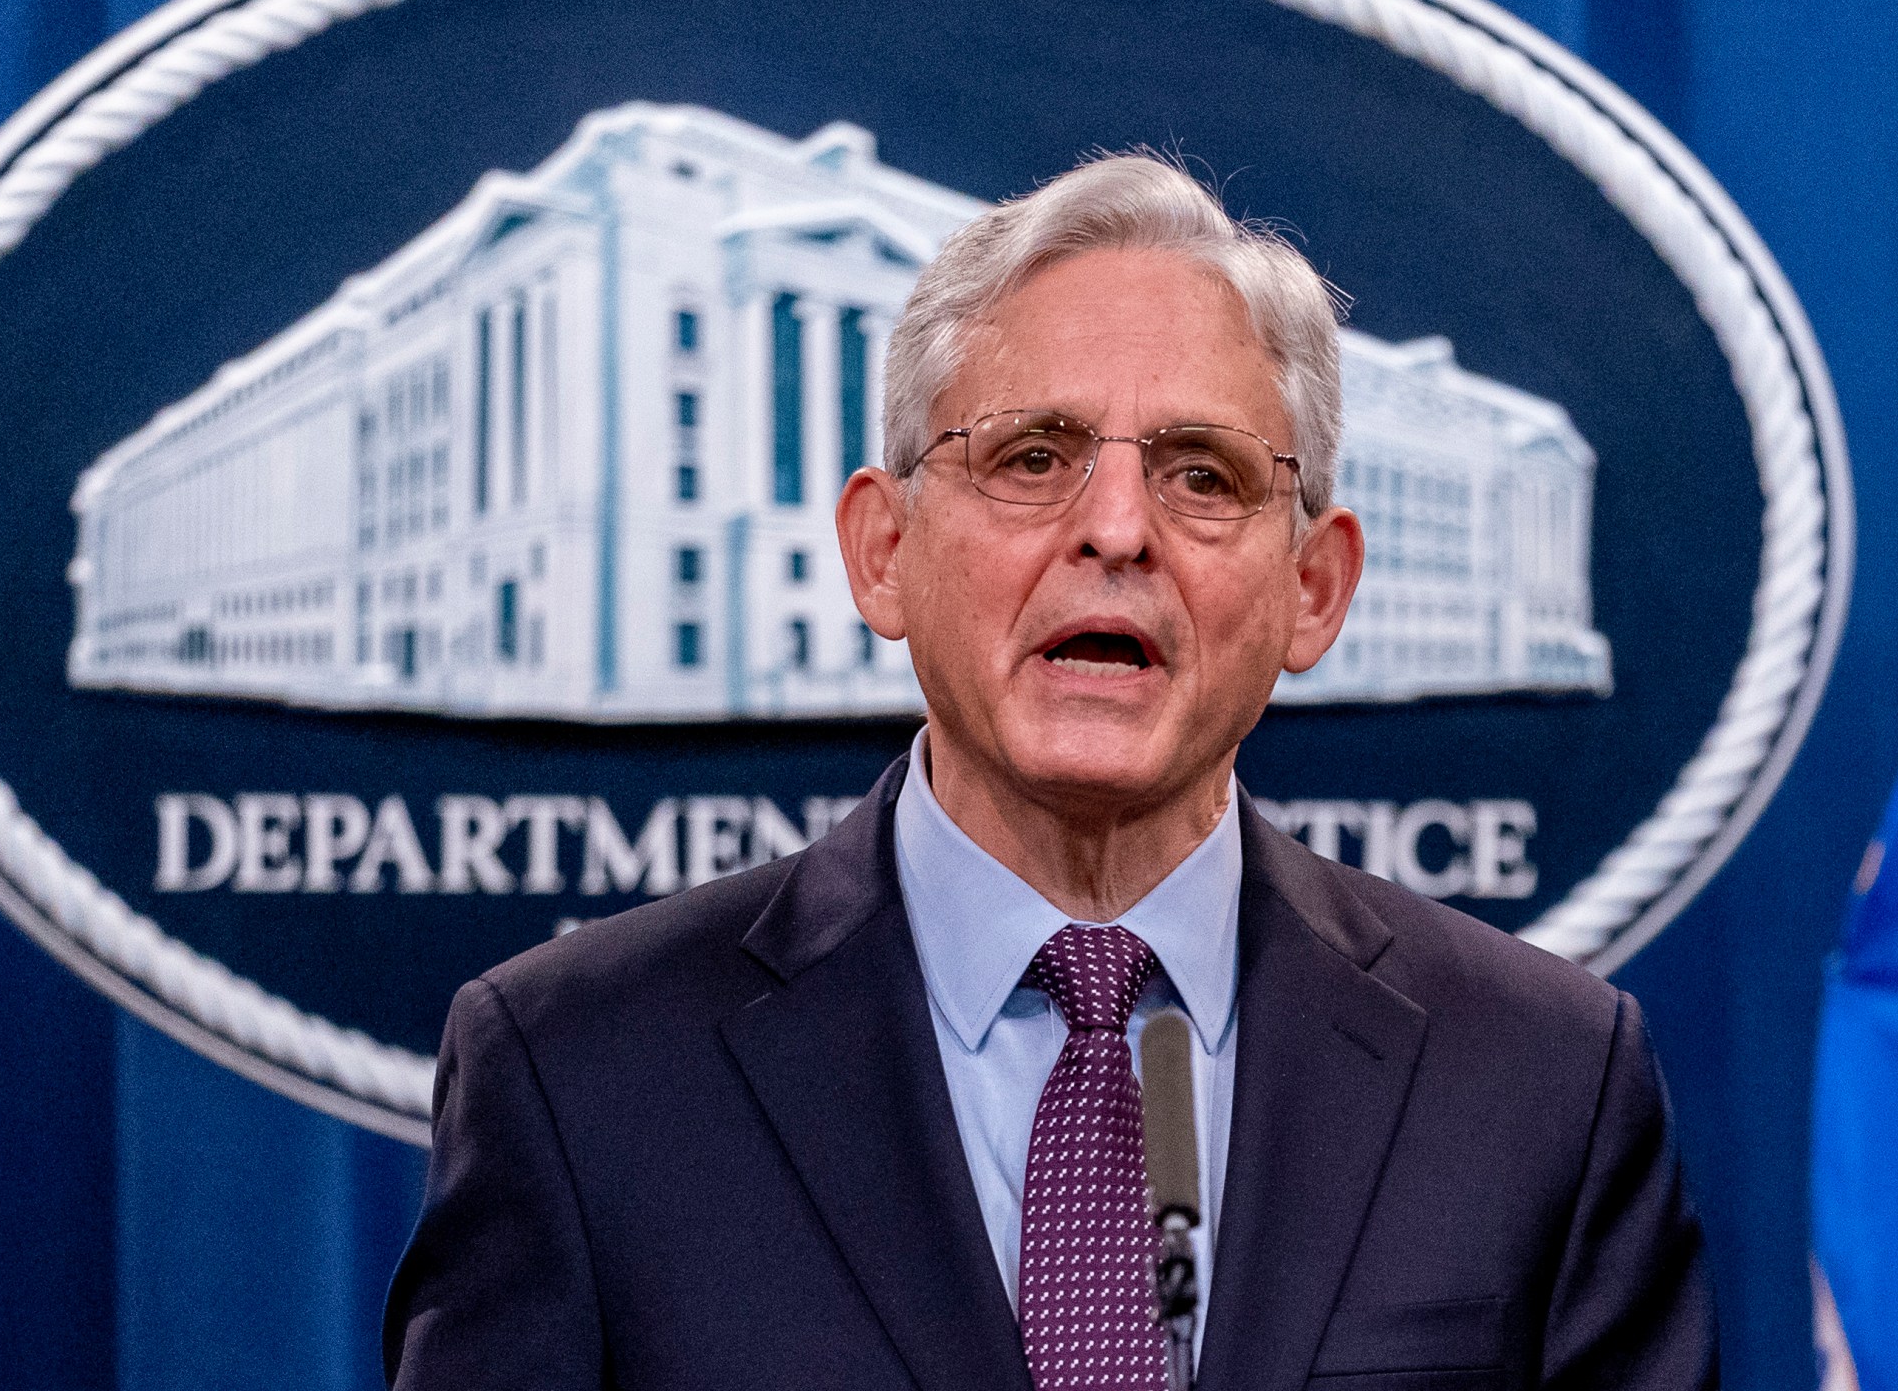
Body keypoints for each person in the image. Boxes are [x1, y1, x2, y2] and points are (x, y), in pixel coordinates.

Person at [383, 153, 1716, 1391]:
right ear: (884, 552)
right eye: (1033, 458)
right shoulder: (577, 1074)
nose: (1118, 530)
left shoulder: (1543, 1082)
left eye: (1204, 476)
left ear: (1314, 588)